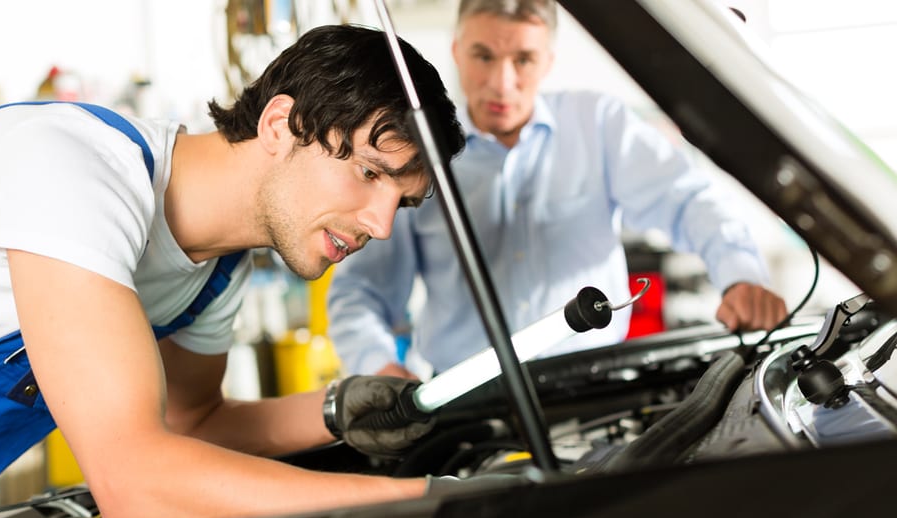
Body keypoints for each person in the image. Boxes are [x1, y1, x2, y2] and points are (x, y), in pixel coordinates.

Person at [0, 24, 465, 518]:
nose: (382, 225)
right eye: (371, 173)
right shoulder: (75, 167)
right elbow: (135, 487)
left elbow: (191, 422)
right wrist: (431, 503)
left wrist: (334, 409)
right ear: (280, 124)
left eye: (404, 202)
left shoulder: (216, 273)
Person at [327, 0, 788, 380]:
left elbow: (689, 201)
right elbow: (363, 289)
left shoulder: (600, 125)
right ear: (456, 51)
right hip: (469, 399)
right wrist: (379, 367)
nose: (501, 83)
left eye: (523, 59)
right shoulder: (415, 154)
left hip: (603, 385)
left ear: (547, 61)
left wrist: (742, 274)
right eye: (484, 56)